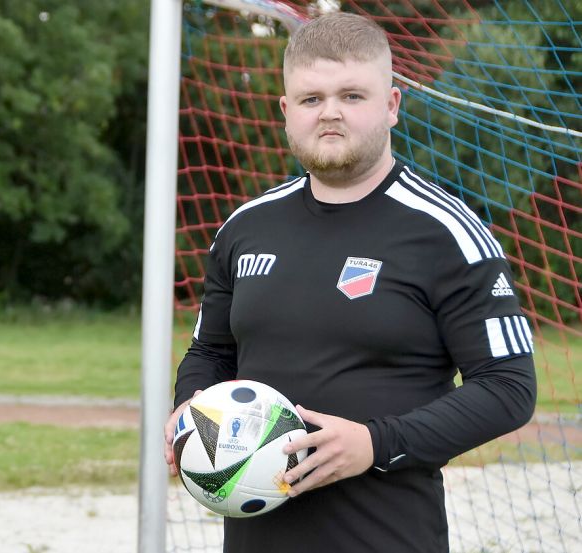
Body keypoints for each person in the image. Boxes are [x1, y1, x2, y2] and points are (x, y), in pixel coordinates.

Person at [163, 12, 536, 553]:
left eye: (352, 96)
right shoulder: (244, 229)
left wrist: (374, 443)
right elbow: (211, 352)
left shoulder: (447, 233)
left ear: (391, 106)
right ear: (287, 112)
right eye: (311, 99)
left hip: (386, 537)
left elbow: (509, 387)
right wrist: (188, 408)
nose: (330, 113)